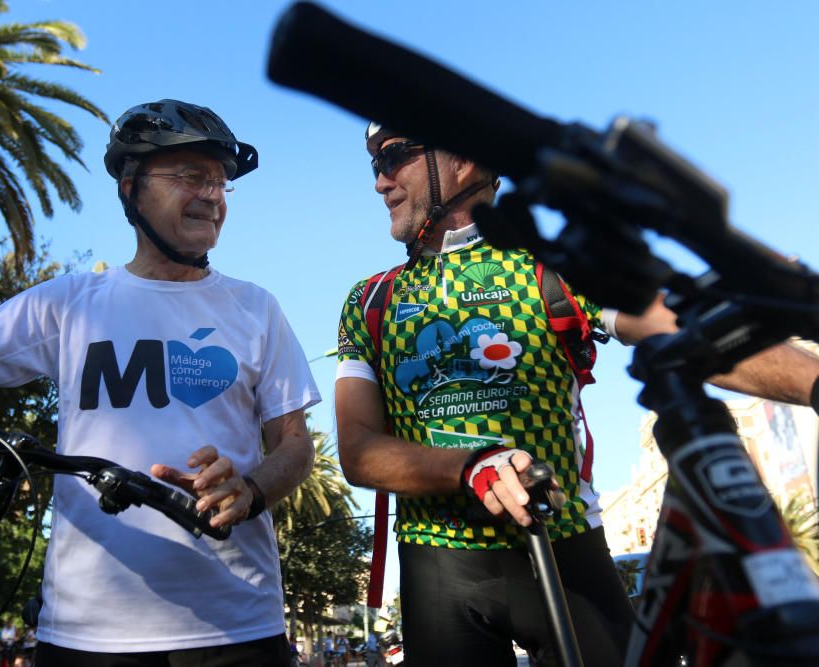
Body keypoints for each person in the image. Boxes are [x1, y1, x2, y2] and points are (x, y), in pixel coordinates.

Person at [0, 98, 321, 666]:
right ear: (131, 189)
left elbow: (295, 445)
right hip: (87, 634)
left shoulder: (256, 308)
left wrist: (250, 491)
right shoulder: (71, 303)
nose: (212, 195)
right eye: (190, 176)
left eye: (220, 182)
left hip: (237, 628)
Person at [334, 124, 819, 666]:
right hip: (437, 565)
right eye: (372, 164)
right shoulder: (370, 300)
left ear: (464, 159)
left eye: (393, 157)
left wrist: (815, 383)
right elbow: (356, 449)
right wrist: (472, 465)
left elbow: (679, 331)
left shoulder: (551, 269)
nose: (379, 182)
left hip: (564, 545)